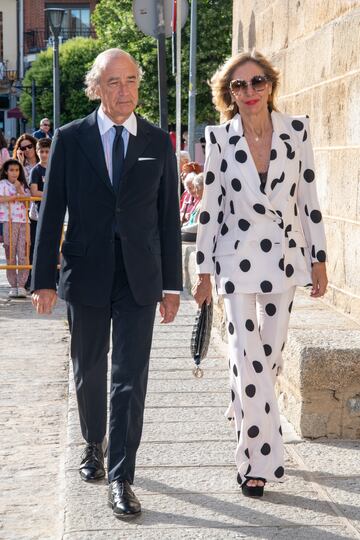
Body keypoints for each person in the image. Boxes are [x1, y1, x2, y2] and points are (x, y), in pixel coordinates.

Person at [31, 48, 182, 518]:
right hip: (87, 272)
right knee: (89, 368)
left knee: (130, 378)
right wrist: (43, 279)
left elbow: (166, 220)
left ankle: (121, 476)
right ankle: (92, 442)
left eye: (132, 81)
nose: (125, 91)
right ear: (96, 88)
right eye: (113, 83)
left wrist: (171, 285)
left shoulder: (158, 141)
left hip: (140, 277)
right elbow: (52, 209)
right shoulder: (72, 140)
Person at [193, 50, 328, 498]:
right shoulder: (220, 139)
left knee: (265, 362)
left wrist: (319, 259)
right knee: (246, 356)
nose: (249, 92)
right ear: (228, 95)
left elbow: (308, 199)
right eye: (238, 85)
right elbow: (210, 209)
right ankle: (259, 460)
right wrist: (203, 270)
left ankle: (242, 402)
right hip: (235, 262)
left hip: (285, 263)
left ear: (270, 84)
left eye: (256, 82)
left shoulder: (296, 130)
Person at [0, 159, 30, 298]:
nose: (14, 173)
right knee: (10, 250)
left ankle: (21, 285)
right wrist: (12, 198)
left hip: (23, 221)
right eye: (11, 170)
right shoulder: (2, 184)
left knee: (23, 251)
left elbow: (27, 199)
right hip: (9, 221)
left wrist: (19, 189)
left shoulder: (22, 184)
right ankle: (13, 285)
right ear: (6, 171)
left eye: (17, 170)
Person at [26, 138, 51, 289]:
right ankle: (32, 278)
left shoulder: (55, 167)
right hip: (37, 214)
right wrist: (51, 193)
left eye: (47, 151)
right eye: (41, 151)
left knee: (52, 245)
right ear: (37, 152)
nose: (44, 154)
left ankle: (53, 277)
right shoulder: (36, 170)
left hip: (52, 213)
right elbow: (34, 191)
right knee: (36, 246)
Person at [181, 172, 204, 242]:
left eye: (196, 188)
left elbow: (199, 226)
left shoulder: (205, 204)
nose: (195, 191)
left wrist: (181, 229)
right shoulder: (200, 201)